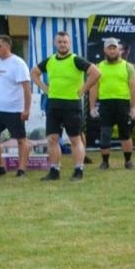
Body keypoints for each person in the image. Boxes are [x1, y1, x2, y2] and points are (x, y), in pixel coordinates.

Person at [33, 30, 97, 180]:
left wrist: (83, 90)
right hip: (53, 105)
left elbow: (96, 73)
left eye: (65, 42)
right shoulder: (50, 60)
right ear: (55, 43)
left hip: (71, 105)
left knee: (75, 139)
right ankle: (54, 171)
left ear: (69, 44)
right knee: (52, 139)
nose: (62, 44)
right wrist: (44, 88)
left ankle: (79, 170)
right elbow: (34, 73)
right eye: (60, 42)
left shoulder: (76, 60)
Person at [0, 33, 31, 177]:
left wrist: (26, 109)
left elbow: (27, 88)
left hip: (13, 109)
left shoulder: (18, 63)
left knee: (20, 139)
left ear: (7, 46)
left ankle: (21, 169)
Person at [91, 37, 135, 170]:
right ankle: (105, 162)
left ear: (119, 50)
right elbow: (94, 88)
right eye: (109, 48)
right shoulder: (98, 67)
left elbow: (134, 88)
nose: (112, 51)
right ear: (104, 50)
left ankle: (128, 161)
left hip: (123, 104)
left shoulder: (128, 67)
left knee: (125, 134)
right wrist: (92, 107)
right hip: (105, 104)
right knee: (105, 133)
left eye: (114, 48)